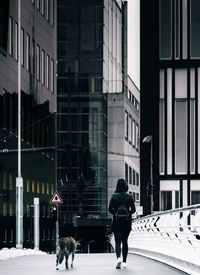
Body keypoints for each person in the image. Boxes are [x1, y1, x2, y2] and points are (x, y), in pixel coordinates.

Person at [108, 178, 136, 269]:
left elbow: (110, 209)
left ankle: (118, 258)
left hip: (116, 222)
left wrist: (115, 213)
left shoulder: (114, 196)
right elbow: (134, 210)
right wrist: (128, 213)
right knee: (125, 242)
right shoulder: (129, 197)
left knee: (117, 241)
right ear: (125, 186)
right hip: (126, 222)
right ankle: (124, 262)